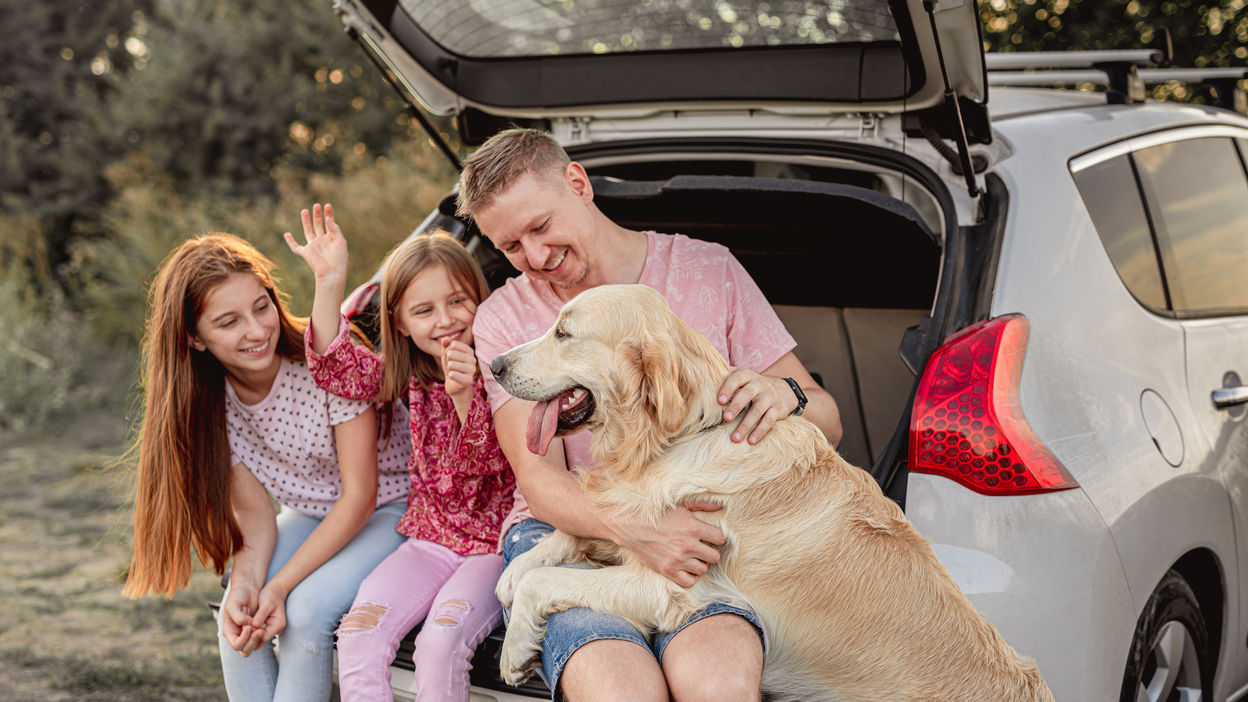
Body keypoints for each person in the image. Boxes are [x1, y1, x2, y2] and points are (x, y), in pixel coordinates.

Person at [461, 128, 844, 702]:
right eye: (510, 247)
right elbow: (541, 481)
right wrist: (637, 528)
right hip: (572, 531)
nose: (535, 258)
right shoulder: (503, 318)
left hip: (700, 526)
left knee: (717, 686)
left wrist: (786, 394)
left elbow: (828, 422)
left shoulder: (707, 271)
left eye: (540, 227)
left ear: (578, 183)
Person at [123, 233, 412, 702]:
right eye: (229, 322)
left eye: (262, 307)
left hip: (392, 507)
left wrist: (278, 587)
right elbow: (255, 517)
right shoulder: (207, 404)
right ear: (194, 338)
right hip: (316, 512)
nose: (256, 330)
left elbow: (359, 497)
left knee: (305, 611)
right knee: (237, 615)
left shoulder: (325, 363)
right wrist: (248, 584)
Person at [285, 204, 515, 702]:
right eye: (425, 310)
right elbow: (336, 370)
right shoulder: (408, 373)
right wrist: (329, 283)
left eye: (459, 301)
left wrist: (464, 396)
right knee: (360, 633)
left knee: (439, 644)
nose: (447, 321)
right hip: (429, 539)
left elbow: (479, 474)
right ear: (402, 323)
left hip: (494, 548)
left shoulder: (506, 372)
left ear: (482, 300)